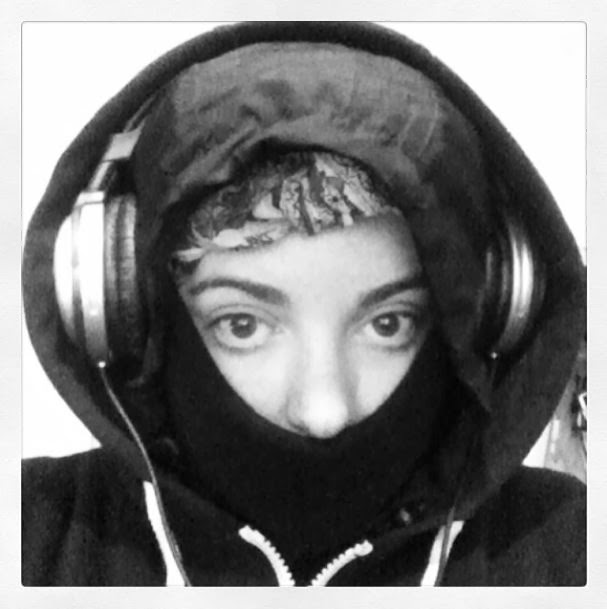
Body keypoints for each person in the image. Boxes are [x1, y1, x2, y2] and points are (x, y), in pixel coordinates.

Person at [21, 22, 586, 586]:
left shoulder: (567, 542)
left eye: (388, 324)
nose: (324, 411)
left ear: (480, 317)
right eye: (242, 325)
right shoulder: (33, 531)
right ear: (130, 313)